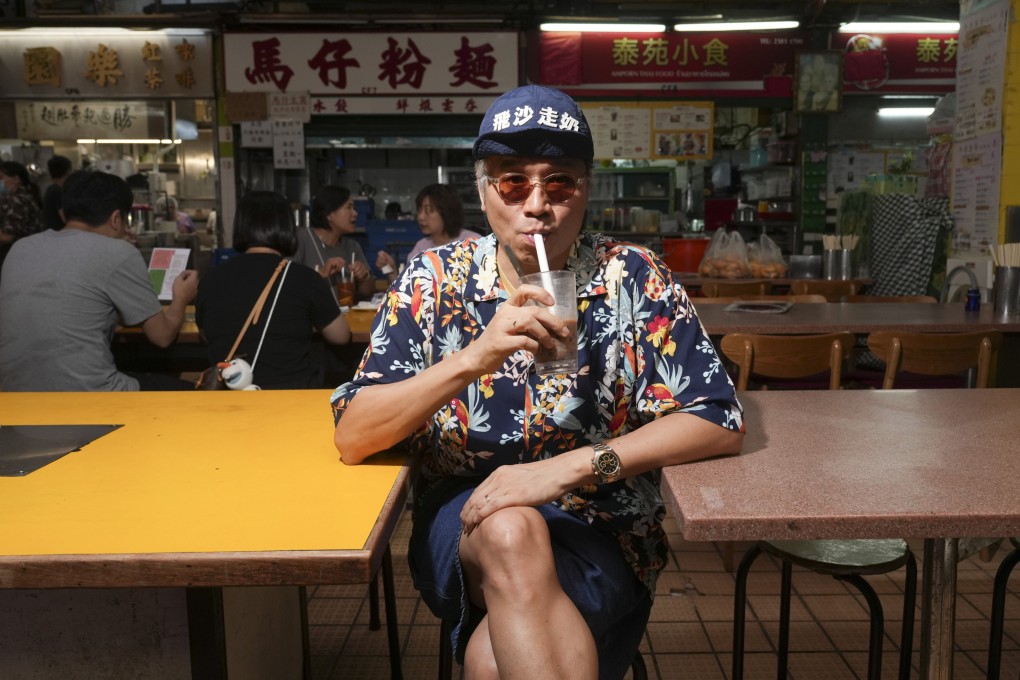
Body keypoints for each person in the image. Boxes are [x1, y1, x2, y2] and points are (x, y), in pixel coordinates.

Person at [330, 85, 744, 679]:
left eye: (559, 183)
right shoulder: (434, 280)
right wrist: (475, 357)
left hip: (602, 523)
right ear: (483, 190)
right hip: (468, 521)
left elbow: (717, 417)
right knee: (510, 528)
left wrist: (572, 467)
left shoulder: (630, 275)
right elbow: (354, 435)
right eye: (513, 182)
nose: (537, 206)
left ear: (586, 188)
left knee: (491, 663)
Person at [0, 170, 198, 391]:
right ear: (115, 219)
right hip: (88, 397)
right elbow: (162, 336)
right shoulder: (117, 253)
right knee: (189, 390)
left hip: (14, 396)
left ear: (64, 213)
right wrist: (181, 296)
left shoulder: (21, 248)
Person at [195, 191, 351, 389]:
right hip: (292, 395)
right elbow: (341, 336)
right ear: (286, 227)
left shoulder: (211, 278)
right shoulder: (304, 278)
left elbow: (206, 334)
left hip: (228, 396)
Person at [376, 184, 482, 274]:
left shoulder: (473, 243)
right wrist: (389, 269)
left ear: (447, 212)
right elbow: (407, 292)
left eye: (428, 211)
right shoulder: (420, 248)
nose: (420, 217)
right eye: (419, 210)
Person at [292, 185, 375, 301]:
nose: (355, 213)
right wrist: (320, 274)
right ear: (329, 214)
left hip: (345, 316)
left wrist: (364, 277)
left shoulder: (352, 246)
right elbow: (285, 283)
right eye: (349, 207)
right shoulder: (301, 238)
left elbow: (368, 292)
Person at [0, 160, 44, 278]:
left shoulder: (18, 200)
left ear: (16, 179)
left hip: (18, 256)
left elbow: (8, 237)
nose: (2, 182)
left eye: (2, 177)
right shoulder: (27, 195)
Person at [42, 154, 73, 231]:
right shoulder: (57, 191)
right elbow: (65, 218)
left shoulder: (51, 189)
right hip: (58, 233)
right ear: (68, 171)